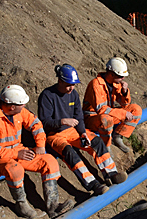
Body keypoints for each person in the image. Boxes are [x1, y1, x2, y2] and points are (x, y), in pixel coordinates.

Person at [0, 85, 74, 219]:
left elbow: (36, 124)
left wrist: (40, 145)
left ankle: (53, 206)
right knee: (15, 170)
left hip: (17, 150)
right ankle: (21, 204)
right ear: (11, 106)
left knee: (49, 162)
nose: (24, 107)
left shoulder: (18, 112)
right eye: (22, 104)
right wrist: (16, 155)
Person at [38, 64, 127, 196]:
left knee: (96, 142)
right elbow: (44, 122)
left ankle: (111, 174)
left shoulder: (73, 94)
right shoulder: (47, 96)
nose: (71, 88)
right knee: (70, 153)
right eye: (69, 85)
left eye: (73, 85)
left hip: (72, 131)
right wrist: (62, 121)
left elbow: (78, 116)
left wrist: (83, 133)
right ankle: (92, 184)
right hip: (54, 134)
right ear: (60, 81)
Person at [83, 57, 142, 153]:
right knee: (107, 119)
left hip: (108, 114)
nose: (123, 78)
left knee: (136, 109)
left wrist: (125, 92)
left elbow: (125, 104)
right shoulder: (96, 85)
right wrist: (123, 114)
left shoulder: (116, 83)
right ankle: (106, 147)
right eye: (120, 76)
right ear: (111, 74)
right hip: (92, 118)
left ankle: (118, 136)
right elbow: (101, 109)